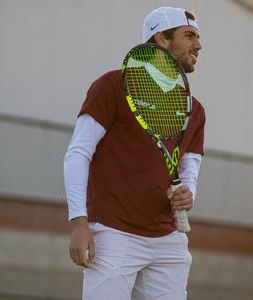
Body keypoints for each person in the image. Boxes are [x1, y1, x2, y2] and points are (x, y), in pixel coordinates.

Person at [63, 7, 205, 300]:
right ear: (162, 40)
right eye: (189, 35)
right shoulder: (112, 85)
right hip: (113, 235)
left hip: (168, 240)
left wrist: (187, 192)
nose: (198, 45)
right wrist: (78, 223)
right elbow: (78, 153)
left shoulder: (196, 109)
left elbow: (189, 170)